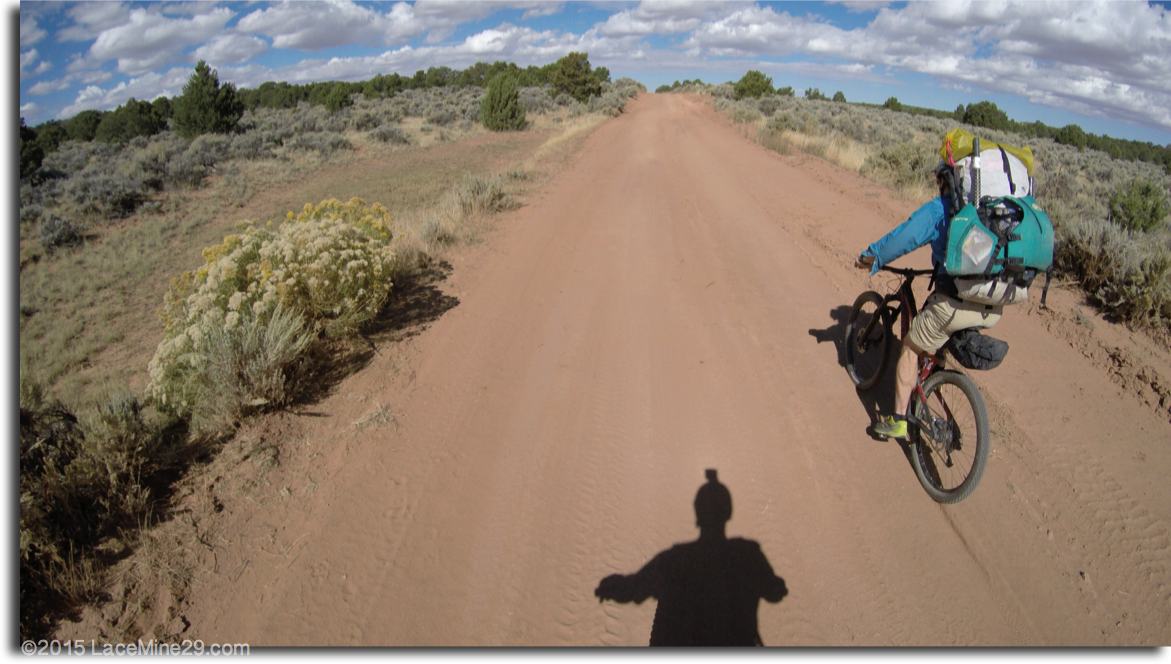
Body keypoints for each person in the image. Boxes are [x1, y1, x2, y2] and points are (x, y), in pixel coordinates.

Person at [854, 161, 1002, 440]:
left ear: (947, 180)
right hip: (991, 304)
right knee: (936, 344)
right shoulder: (988, 212)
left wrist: (870, 257)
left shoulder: (944, 209)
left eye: (939, 180)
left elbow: (903, 238)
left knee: (910, 347)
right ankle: (932, 386)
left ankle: (898, 420)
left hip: (955, 302)